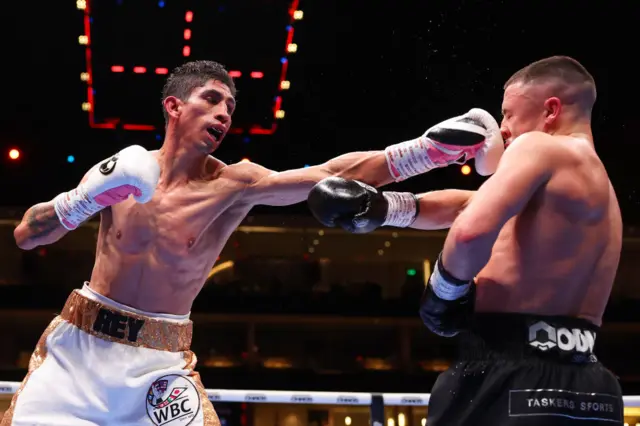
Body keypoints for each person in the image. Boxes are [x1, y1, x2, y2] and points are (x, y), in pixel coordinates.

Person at [4, 60, 502, 426]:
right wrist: (80, 201)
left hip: (158, 366)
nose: (225, 114)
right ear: (173, 106)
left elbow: (330, 174)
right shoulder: (120, 170)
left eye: (231, 107)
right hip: (78, 350)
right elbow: (27, 235)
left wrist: (425, 152)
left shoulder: (234, 184)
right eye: (212, 99)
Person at [308, 56, 624, 425]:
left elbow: (472, 229)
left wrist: (445, 290)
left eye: (508, 113)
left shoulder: (538, 146)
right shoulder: (600, 192)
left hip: (511, 374)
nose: (503, 128)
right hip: (590, 384)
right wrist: (387, 206)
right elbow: (468, 205)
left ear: (550, 110)